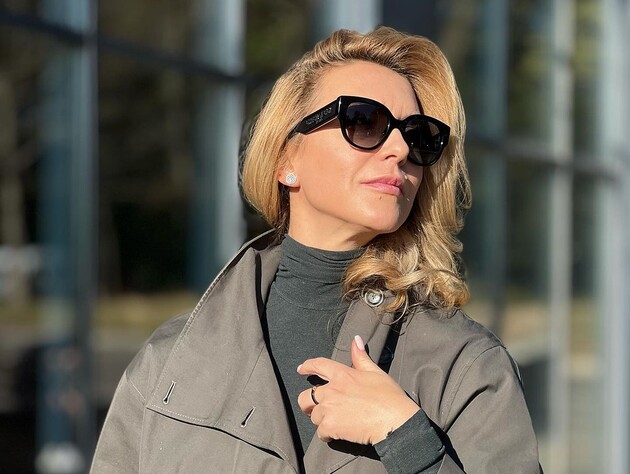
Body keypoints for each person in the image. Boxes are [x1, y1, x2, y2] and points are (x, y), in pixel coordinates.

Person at [91, 27, 541, 473]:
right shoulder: (171, 359)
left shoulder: (464, 364)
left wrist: (408, 440)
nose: (400, 148)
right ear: (286, 159)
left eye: (418, 135)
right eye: (364, 121)